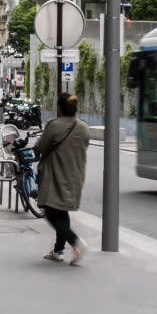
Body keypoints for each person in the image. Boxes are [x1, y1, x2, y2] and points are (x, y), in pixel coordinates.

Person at [33, 93, 89, 265]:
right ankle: (58, 251)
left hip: (55, 175)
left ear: (60, 108)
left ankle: (76, 242)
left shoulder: (54, 125)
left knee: (50, 212)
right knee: (62, 212)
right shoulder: (83, 127)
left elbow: (39, 148)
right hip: (75, 176)